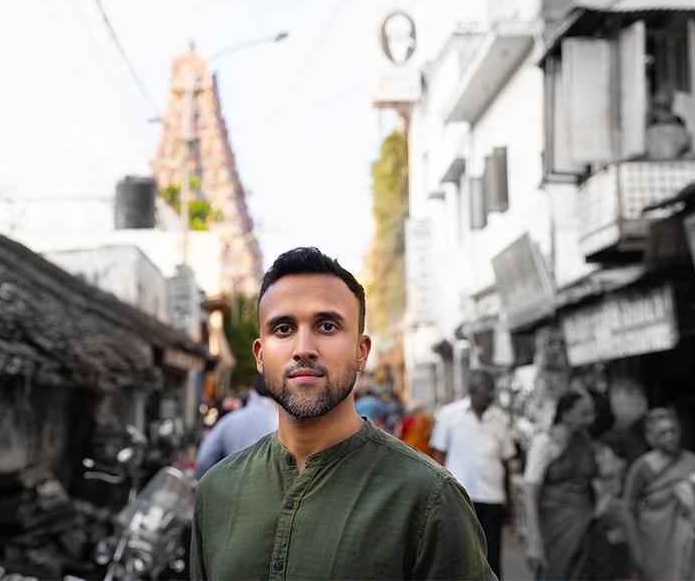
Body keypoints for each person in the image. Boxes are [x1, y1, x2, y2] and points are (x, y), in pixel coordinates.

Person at [190, 247, 495, 580]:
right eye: (283, 329)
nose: (303, 348)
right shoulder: (216, 492)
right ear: (260, 356)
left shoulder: (428, 498)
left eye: (326, 326)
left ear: (361, 352)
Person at [430, 370, 516, 579]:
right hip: (460, 498)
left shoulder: (499, 419)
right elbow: (437, 458)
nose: (490, 395)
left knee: (492, 558)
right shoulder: (450, 415)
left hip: (493, 498)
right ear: (473, 391)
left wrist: (510, 503)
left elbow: (506, 463)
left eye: (491, 390)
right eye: (486, 390)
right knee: (459, 556)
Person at [622, 408, 695, 580]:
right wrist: (635, 547)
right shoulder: (643, 467)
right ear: (651, 437)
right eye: (663, 433)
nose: (670, 436)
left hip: (689, 536)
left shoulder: (692, 461)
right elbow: (627, 507)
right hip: (655, 540)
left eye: (673, 431)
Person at [522, 390, 596, 580]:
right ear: (566, 415)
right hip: (553, 527)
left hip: (584, 523)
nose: (590, 419)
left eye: (591, 413)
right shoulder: (544, 444)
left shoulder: (585, 442)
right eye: (583, 413)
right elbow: (530, 494)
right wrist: (534, 540)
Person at [193, 375, 279, 479]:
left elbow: (204, 461)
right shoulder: (282, 424)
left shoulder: (228, 421)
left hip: (230, 490)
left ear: (253, 392)